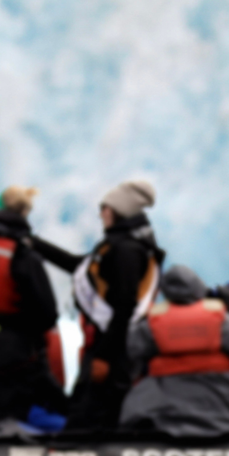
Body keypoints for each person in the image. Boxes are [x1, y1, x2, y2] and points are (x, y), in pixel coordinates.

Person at [49, 180, 165, 429]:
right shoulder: (117, 246)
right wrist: (33, 244)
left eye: (105, 208)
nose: (101, 214)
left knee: (93, 412)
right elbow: (77, 265)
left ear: (118, 210)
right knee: (88, 407)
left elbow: (124, 307)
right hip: (106, 345)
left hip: (112, 350)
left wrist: (103, 356)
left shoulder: (126, 251)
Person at [0, 186, 67, 431]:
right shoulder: (24, 256)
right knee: (33, 412)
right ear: (26, 213)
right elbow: (47, 315)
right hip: (14, 357)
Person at [120, 266, 229, 437]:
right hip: (225, 406)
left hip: (157, 407)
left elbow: (131, 357)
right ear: (198, 286)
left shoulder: (148, 326)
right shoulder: (228, 323)